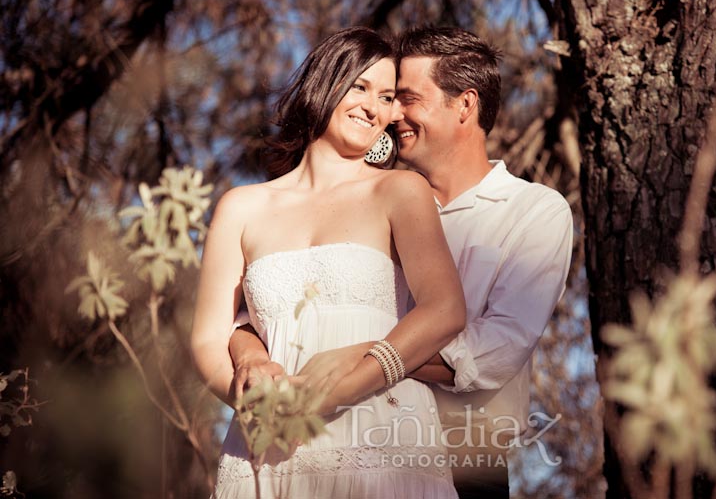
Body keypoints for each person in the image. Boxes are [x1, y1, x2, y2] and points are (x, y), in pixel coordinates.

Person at [230, 26, 573, 498]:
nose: (391, 114)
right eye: (388, 98)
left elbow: (497, 348)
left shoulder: (533, 211)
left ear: (465, 105)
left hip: (462, 459)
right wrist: (251, 351)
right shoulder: (375, 197)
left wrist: (368, 355)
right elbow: (275, 303)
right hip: (337, 439)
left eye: (405, 97)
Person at [190, 27, 466, 498]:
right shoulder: (241, 206)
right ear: (324, 83)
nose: (373, 108)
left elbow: (444, 311)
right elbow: (208, 338)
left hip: (381, 435)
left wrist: (335, 393)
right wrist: (247, 390)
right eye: (359, 87)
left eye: (386, 97)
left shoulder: (400, 191)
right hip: (269, 448)